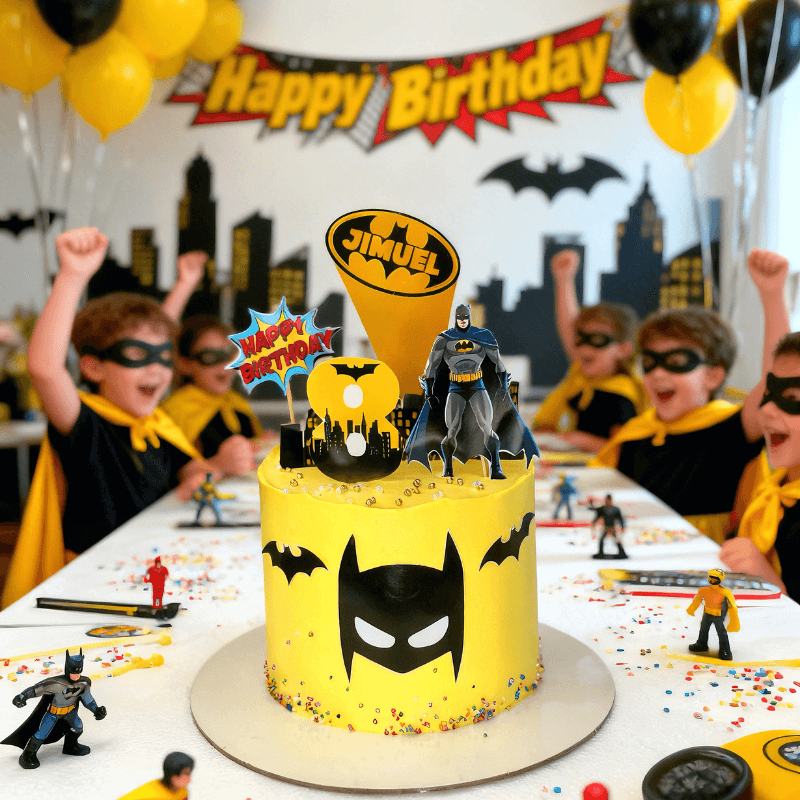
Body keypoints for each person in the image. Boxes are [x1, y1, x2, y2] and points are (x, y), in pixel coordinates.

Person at [0, 228, 229, 609]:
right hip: (90, 591)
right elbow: (45, 368)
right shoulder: (86, 423)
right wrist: (72, 275)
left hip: (153, 577)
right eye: (136, 356)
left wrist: (203, 473)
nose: (157, 370)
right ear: (93, 367)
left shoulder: (157, 427)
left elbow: (189, 468)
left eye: (165, 359)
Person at [591, 249, 790, 544]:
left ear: (713, 376)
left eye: (677, 362)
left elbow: (777, 378)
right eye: (650, 362)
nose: (658, 373)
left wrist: (772, 295)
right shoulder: (637, 433)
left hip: (702, 557)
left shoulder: (729, 429)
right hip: (634, 548)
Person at [534, 249, 646, 453]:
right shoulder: (583, 379)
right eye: (581, 339)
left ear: (623, 349)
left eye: (597, 340)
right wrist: (564, 280)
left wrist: (580, 440)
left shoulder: (621, 395)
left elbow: (624, 451)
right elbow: (569, 326)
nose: (585, 347)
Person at [721, 332, 800, 602]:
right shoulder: (773, 488)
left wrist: (770, 583)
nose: (765, 410)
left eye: (792, 397)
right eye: (768, 395)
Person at [161, 315, 259, 475]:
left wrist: (260, 443)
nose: (224, 365)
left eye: (230, 355)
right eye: (210, 357)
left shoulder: (236, 402)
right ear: (185, 364)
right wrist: (218, 464)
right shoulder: (174, 411)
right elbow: (173, 474)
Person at [2, 648, 106, 769]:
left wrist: (96, 710)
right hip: (53, 713)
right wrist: (22, 696)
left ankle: (70, 746)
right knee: (42, 732)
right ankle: (27, 754)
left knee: (78, 726)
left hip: (69, 712)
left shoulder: (84, 684)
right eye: (73, 672)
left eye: (78, 672)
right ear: (68, 670)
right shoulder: (56, 683)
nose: (76, 676)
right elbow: (36, 689)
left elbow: (88, 700)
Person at [686, 568, 740, 661]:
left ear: (719, 580)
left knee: (721, 633)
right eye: (711, 577)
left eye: (714, 578)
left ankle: (725, 651)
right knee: (703, 630)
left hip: (718, 615)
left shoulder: (725, 592)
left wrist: (733, 620)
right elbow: (697, 601)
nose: (712, 580)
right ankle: (701, 644)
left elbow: (732, 606)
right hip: (707, 614)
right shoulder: (703, 590)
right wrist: (691, 610)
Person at [116, 751, 194, 799]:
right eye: (186, 774)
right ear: (173, 776)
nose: (189, 779)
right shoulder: (153, 797)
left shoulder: (182, 792)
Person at [590, 494, 627, 559]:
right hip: (606, 527)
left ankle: (622, 552)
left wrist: (623, 527)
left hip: (612, 528)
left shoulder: (615, 509)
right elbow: (596, 512)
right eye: (606, 500)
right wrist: (594, 522)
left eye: (608, 500)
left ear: (610, 500)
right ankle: (600, 553)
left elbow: (620, 519)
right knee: (601, 540)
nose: (607, 502)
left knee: (617, 540)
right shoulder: (603, 509)